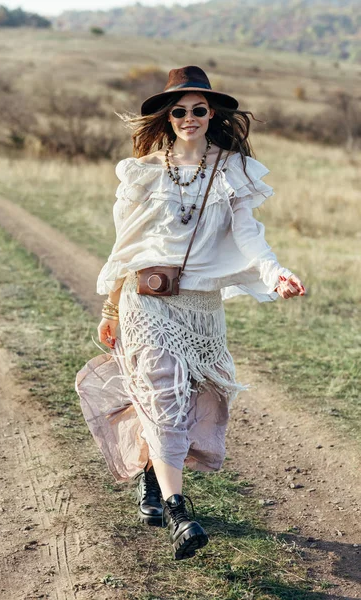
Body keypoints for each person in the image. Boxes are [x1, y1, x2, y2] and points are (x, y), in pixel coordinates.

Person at [75, 65, 305, 561]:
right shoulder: (142, 172)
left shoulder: (234, 170)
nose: (189, 117)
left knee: (184, 395)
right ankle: (179, 511)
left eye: (198, 109)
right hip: (146, 300)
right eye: (178, 110)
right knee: (161, 386)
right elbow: (126, 246)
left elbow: (248, 233)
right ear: (167, 115)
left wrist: (273, 272)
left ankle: (152, 478)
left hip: (199, 305)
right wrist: (110, 307)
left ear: (212, 113)